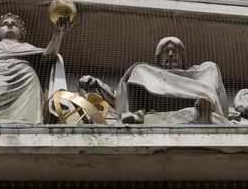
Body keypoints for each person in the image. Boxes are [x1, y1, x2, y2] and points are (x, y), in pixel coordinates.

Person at [81, 37, 228, 124]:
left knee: (210, 66)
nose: (170, 54)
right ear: (158, 59)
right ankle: (134, 114)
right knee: (138, 68)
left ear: (183, 58)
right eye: (166, 51)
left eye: (175, 51)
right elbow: (120, 97)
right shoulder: (149, 74)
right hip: (156, 104)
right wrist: (98, 85)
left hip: (195, 99)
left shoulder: (195, 72)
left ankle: (205, 109)